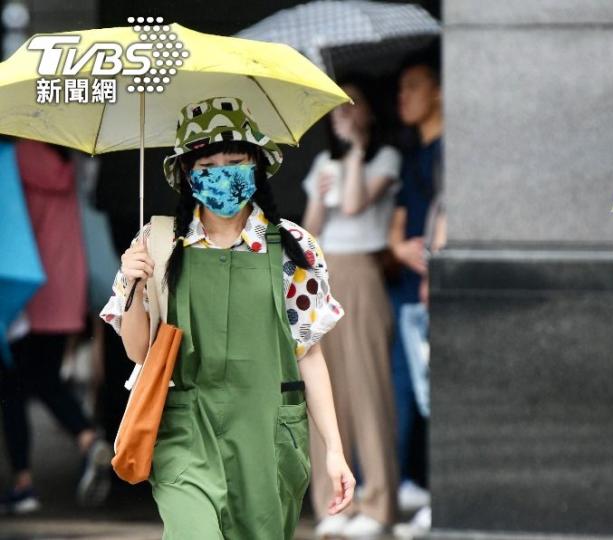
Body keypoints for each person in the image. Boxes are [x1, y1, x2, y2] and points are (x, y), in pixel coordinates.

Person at [99, 97, 355, 539]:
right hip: (185, 429)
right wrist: (134, 282)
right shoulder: (158, 245)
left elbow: (309, 356)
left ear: (256, 165)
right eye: (208, 164)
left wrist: (334, 449)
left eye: (235, 161)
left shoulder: (294, 247)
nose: (223, 174)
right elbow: (138, 351)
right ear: (186, 174)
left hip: (268, 435)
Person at [301, 80, 401, 538]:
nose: (342, 112)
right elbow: (308, 231)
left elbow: (358, 204)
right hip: (323, 275)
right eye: (336, 106)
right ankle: (331, 506)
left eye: (351, 103)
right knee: (326, 393)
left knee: (368, 390)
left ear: (369, 112)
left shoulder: (384, 158)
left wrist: (357, 150)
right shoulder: (324, 163)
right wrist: (322, 195)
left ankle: (378, 506)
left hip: (362, 273)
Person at [1, 139, 112, 514]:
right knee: (43, 376)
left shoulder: (15, 157)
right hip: (66, 286)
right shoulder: (69, 158)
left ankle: (23, 482)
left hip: (27, 291)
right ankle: (86, 438)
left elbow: (14, 224)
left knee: (13, 385)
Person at [388, 46, 443, 534]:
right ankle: (413, 485)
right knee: (410, 393)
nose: (402, 97)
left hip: (438, 293)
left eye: (414, 87)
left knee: (435, 395)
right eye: (400, 88)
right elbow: (395, 232)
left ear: (440, 92)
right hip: (410, 291)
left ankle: (436, 493)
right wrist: (406, 249)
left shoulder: (452, 153)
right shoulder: (412, 156)